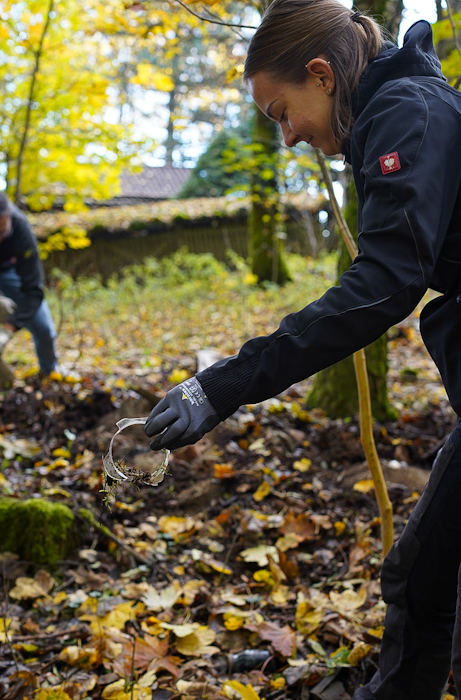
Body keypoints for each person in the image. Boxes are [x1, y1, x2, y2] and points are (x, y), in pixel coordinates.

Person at [144, 1, 461, 697]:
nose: (285, 137)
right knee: (427, 572)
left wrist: (220, 385)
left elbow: (384, 281)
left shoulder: (404, 112)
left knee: (426, 572)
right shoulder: (402, 108)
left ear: (320, 75)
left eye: (280, 112)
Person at [0, 191, 60, 375]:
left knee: (43, 327)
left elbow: (33, 291)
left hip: (7, 271)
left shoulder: (20, 229)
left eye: (0, 233)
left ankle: (50, 371)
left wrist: (5, 332)